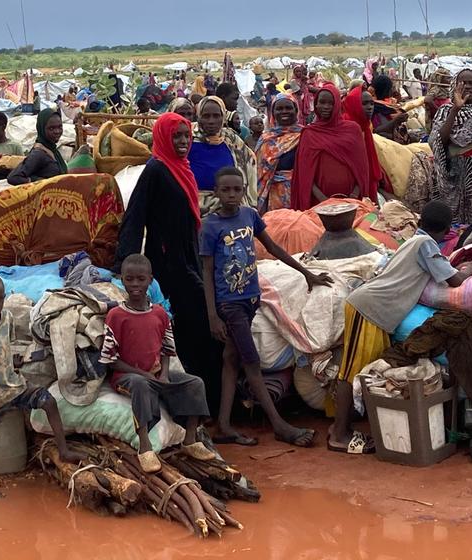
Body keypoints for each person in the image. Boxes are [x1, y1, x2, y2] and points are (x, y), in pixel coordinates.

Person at [329, 202, 472, 453]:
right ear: (447, 231)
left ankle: (342, 427)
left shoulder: (414, 242)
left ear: (421, 221)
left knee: (360, 368)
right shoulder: (425, 245)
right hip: (368, 307)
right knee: (351, 371)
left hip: (373, 309)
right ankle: (339, 434)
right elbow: (454, 279)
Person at [201, 167, 332, 448]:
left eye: (237, 189)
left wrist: (306, 273)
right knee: (251, 361)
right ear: (216, 192)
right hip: (230, 304)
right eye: (226, 190)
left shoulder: (249, 215)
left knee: (231, 358)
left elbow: (272, 248)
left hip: (250, 299)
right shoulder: (210, 226)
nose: (232, 195)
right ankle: (280, 425)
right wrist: (212, 314)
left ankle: (223, 425)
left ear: (244, 189)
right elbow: (208, 271)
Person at [117, 113, 225, 414]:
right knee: (193, 326)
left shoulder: (182, 168)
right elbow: (135, 216)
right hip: (167, 263)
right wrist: (125, 264)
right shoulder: (156, 170)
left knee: (197, 328)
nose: (182, 141)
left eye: (186, 135)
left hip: (187, 256)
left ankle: (209, 402)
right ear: (163, 137)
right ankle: (197, 405)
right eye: (176, 136)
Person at [0, 274, 83, 497]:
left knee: (48, 400)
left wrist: (13, 362)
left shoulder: (7, 318)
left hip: (14, 386)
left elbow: (5, 345)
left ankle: (63, 450)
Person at [101, 253, 218, 472]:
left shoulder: (160, 313)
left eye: (141, 279)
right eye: (129, 279)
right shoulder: (116, 316)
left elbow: (167, 348)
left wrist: (163, 374)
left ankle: (190, 440)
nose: (135, 285)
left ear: (150, 280)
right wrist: (142, 374)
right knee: (140, 384)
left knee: (195, 383)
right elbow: (110, 360)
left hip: (154, 373)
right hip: (126, 377)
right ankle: (145, 447)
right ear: (123, 280)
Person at [289, 84, 375, 210]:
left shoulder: (353, 130)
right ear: (315, 104)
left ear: (338, 105)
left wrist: (354, 195)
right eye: (322, 102)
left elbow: (362, 167)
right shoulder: (309, 133)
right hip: (318, 203)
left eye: (331, 103)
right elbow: (304, 173)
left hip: (352, 201)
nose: (326, 107)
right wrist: (324, 200)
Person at [428, 69, 472, 223]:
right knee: (453, 220)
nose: (468, 86)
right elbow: (437, 140)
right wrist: (456, 109)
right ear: (455, 85)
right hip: (454, 171)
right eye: (463, 82)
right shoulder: (446, 110)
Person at [187, 97, 257, 211]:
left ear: (223, 117)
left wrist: (250, 204)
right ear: (198, 117)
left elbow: (250, 163)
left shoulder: (231, 139)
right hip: (191, 207)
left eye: (216, 116)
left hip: (228, 208)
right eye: (206, 116)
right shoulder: (187, 139)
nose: (211, 121)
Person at [255, 95, 303, 213]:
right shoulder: (266, 139)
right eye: (279, 109)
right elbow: (259, 175)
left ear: (296, 110)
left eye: (288, 108)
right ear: (273, 112)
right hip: (273, 197)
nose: (284, 111)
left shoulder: (305, 135)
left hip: (300, 193)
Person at [341, 85, 389, 195]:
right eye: (364, 103)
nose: (370, 107)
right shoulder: (347, 126)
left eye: (372, 103)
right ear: (354, 104)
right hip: (351, 187)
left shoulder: (365, 125)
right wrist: (358, 187)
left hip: (362, 180)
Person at [7, 109, 68, 185]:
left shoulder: (52, 149)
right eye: (51, 128)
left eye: (60, 127)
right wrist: (40, 181)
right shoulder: (38, 154)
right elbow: (14, 177)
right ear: (41, 129)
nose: (57, 131)